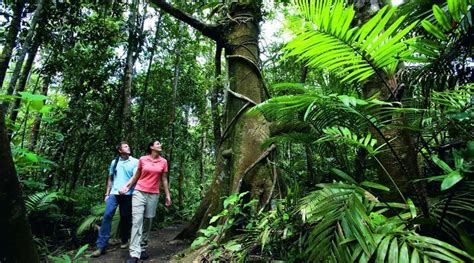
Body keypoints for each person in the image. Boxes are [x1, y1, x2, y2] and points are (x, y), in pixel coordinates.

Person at [121, 140, 171, 263]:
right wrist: (127, 186)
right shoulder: (143, 159)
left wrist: (168, 195)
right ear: (151, 147)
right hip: (139, 192)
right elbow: (137, 175)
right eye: (158, 143)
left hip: (153, 194)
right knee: (137, 221)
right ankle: (134, 253)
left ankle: (142, 247)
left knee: (148, 220)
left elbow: (164, 179)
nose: (160, 145)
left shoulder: (163, 162)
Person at [91, 142, 138, 257]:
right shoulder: (115, 162)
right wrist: (107, 193)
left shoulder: (135, 162)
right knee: (107, 215)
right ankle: (101, 246)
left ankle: (124, 239)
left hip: (128, 194)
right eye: (126, 146)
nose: (129, 147)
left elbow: (135, 177)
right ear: (120, 151)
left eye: (128, 145)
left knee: (125, 218)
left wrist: (126, 187)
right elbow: (111, 178)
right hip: (114, 193)